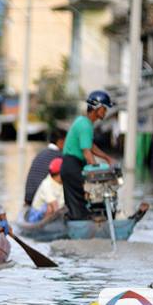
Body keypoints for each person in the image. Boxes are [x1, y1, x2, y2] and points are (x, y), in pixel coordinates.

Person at [61, 90, 115, 220]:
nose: (105, 112)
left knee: (80, 201)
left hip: (71, 166)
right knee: (84, 196)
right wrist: (95, 169)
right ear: (97, 108)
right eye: (104, 108)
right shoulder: (85, 125)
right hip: (72, 166)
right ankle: (81, 223)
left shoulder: (83, 122)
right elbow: (87, 152)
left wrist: (107, 158)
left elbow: (90, 146)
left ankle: (83, 218)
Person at [23, 129, 66, 205]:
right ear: (61, 141)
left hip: (29, 197)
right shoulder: (59, 157)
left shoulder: (41, 153)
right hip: (42, 198)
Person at [27, 158, 65, 222]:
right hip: (37, 215)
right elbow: (54, 206)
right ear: (59, 174)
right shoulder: (47, 184)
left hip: (57, 210)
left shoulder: (62, 183)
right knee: (49, 208)